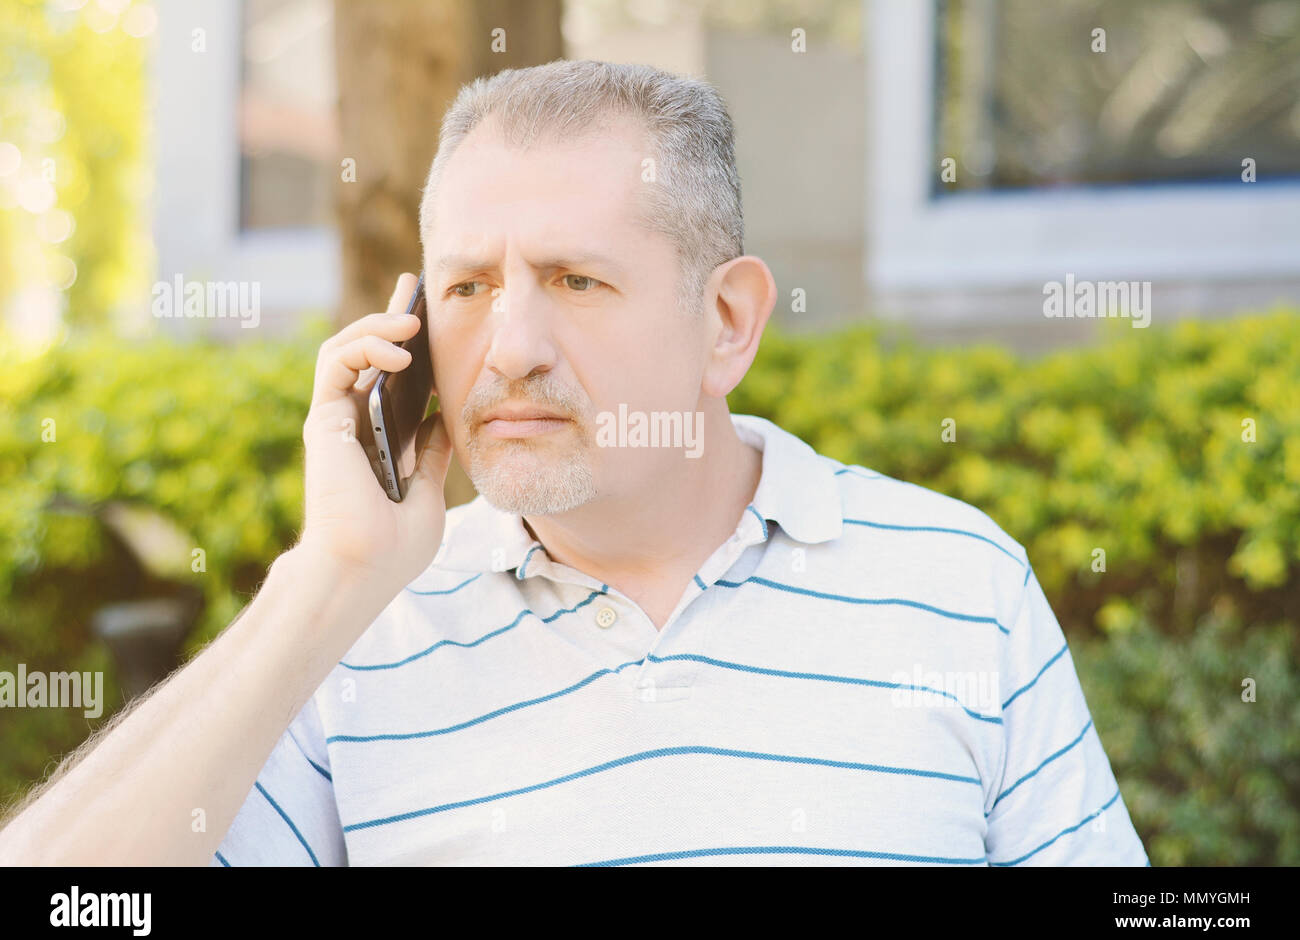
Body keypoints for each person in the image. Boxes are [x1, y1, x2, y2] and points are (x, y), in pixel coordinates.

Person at [0, 59, 1147, 866]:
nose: (509, 348)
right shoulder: (360, 636)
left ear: (728, 322)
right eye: (466, 287)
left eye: (574, 280)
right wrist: (323, 580)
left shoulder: (958, 586)